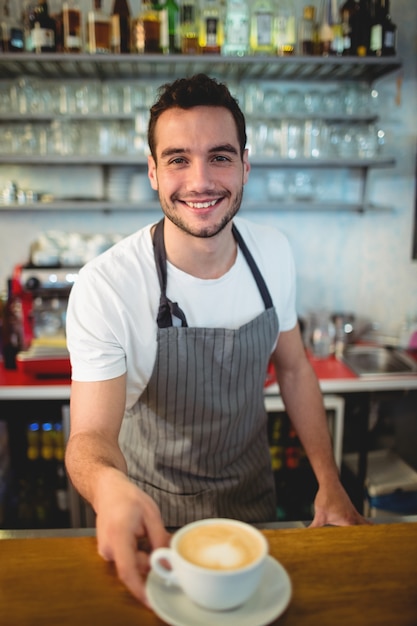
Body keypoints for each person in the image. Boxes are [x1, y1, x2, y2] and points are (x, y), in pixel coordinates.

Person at [65, 73, 369, 607]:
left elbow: (294, 369)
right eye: (178, 159)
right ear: (154, 173)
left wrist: (330, 480)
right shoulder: (107, 284)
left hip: (254, 508)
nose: (201, 180)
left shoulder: (273, 254)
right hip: (153, 520)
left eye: (221, 156)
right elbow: (90, 435)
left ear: (246, 165)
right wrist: (109, 488)